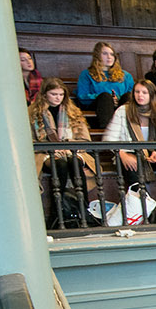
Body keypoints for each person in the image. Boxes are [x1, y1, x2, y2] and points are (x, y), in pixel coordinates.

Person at [103, 79, 156, 222]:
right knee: (134, 166)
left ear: (152, 95)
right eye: (137, 92)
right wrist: (121, 153)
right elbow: (109, 138)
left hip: (154, 153)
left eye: (144, 92)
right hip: (128, 152)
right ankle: (146, 212)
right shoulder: (123, 111)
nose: (140, 95)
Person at [29, 78, 94, 227]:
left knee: (74, 161)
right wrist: (50, 148)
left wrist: (68, 146)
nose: (58, 98)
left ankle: (84, 208)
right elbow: (29, 139)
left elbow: (84, 139)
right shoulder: (33, 112)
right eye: (53, 94)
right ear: (44, 95)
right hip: (44, 152)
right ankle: (57, 211)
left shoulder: (73, 111)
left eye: (61, 94)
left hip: (72, 151)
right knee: (60, 164)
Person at [75, 40, 134, 129]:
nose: (109, 57)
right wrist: (108, 98)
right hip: (99, 110)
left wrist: (117, 98)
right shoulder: (87, 74)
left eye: (112, 54)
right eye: (105, 54)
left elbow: (132, 95)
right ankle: (108, 132)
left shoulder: (125, 75)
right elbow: (82, 97)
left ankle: (131, 129)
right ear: (97, 56)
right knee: (105, 97)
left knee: (128, 97)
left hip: (120, 107)